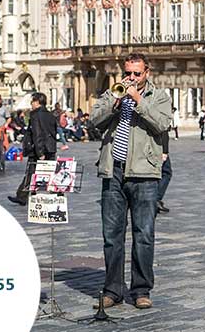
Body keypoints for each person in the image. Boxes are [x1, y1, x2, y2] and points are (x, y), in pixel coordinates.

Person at [90, 52, 172, 310]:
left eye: (137, 73)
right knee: (111, 236)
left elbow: (163, 124)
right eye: (128, 73)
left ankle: (141, 289)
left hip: (144, 172)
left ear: (147, 73)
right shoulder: (111, 94)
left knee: (143, 234)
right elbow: (94, 122)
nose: (131, 78)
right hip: (113, 170)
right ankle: (112, 289)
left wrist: (137, 100)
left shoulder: (159, 96)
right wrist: (115, 103)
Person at [8, 92, 57, 206]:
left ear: (37, 102)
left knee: (31, 173)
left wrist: (40, 152)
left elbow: (37, 134)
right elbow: (53, 132)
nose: (31, 104)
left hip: (37, 149)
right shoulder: (50, 115)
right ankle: (56, 194)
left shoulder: (35, 115)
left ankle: (22, 196)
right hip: (50, 147)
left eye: (32, 101)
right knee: (50, 172)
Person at [157, 131, 171, 214]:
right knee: (166, 173)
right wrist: (165, 150)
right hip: (158, 147)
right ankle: (155, 199)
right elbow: (163, 130)